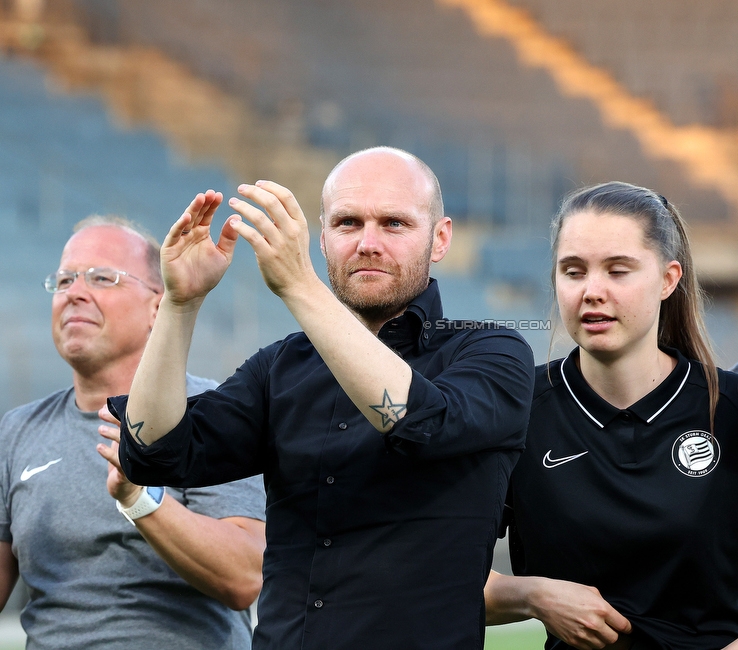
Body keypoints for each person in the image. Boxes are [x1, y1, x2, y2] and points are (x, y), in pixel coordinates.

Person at [111, 147, 535, 649]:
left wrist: (298, 285)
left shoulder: (492, 351)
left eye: (394, 224)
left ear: (440, 238)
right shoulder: (281, 366)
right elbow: (154, 452)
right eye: (348, 223)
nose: (367, 243)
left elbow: (419, 423)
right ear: (324, 235)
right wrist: (180, 304)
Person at [484, 182, 738, 649]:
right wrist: (530, 595)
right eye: (573, 271)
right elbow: (434, 573)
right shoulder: (515, 407)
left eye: (618, 271)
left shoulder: (732, 408)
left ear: (669, 279)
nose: (592, 291)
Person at [0, 216, 266, 649]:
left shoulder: (212, 413)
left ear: (158, 307)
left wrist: (141, 500)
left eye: (102, 278)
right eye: (64, 279)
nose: (74, 293)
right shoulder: (16, 433)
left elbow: (243, 578)